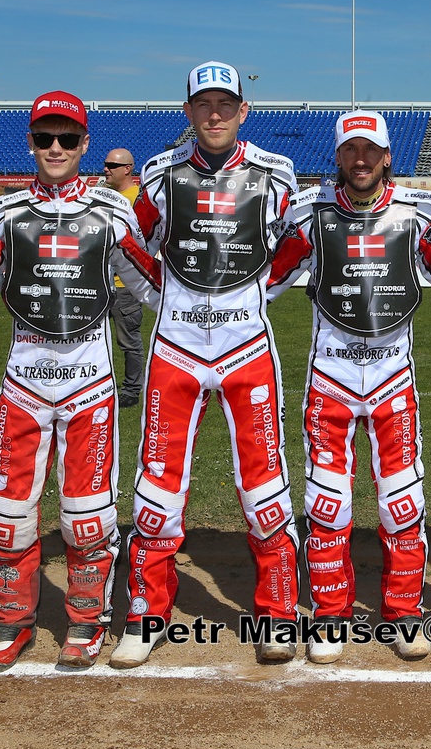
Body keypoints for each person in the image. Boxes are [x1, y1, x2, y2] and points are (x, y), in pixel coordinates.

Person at [0, 91, 160, 674]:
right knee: (6, 514)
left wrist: (213, 318)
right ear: (30, 142)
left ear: (84, 144)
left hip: (90, 387)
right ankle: (11, 620)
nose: (55, 148)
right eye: (44, 137)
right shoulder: (2, 214)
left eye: (67, 138)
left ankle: (86, 622)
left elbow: (154, 288)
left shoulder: (112, 214)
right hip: (23, 386)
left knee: (87, 515)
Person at [110, 61, 302, 668]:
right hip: (176, 349)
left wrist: (255, 295)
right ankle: (145, 613)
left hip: (249, 349)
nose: (214, 114)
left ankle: (278, 613)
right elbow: (127, 244)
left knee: (265, 486)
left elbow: (297, 247)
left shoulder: (277, 173)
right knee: (157, 490)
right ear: (188, 110)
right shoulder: (160, 173)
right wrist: (164, 299)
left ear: (243, 110)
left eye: (225, 104)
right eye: (203, 104)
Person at [268, 110, 431, 664]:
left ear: (387, 156)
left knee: (403, 502)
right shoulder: (308, 214)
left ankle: (404, 612)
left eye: (370, 150)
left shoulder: (420, 213)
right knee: (326, 503)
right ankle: (330, 613)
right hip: (331, 379)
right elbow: (266, 280)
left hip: (394, 378)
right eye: (350, 150)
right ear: (339, 156)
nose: (360, 160)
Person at [103, 148, 146, 409]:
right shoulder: (103, 198)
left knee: (128, 340)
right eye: (106, 164)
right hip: (99, 284)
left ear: (127, 169)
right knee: (95, 341)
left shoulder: (139, 202)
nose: (105, 169)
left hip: (125, 286)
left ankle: (131, 389)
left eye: (112, 165)